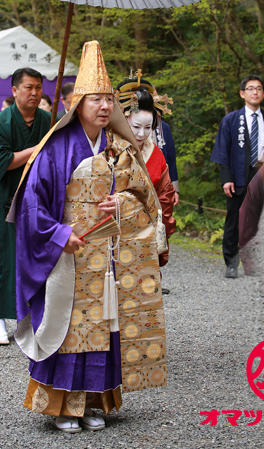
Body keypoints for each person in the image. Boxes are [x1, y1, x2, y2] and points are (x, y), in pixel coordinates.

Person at [9, 41, 164, 431]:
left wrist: (122, 204)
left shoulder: (119, 148)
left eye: (108, 99)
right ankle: (62, 406)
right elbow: (32, 205)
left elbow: (145, 196)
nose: (104, 106)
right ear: (77, 103)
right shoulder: (54, 148)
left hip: (107, 255)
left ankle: (95, 402)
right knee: (69, 328)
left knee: (105, 325)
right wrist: (60, 234)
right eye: (95, 99)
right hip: (67, 257)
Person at [210, 76, 264, 278]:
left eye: (259, 89)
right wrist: (226, 178)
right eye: (250, 89)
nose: (255, 92)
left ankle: (253, 263)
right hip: (238, 175)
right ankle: (231, 263)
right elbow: (223, 151)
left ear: (263, 93)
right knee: (234, 220)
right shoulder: (231, 120)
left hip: (262, 174)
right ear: (242, 93)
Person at [1, 68, 50, 346]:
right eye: (29, 87)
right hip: (5, 197)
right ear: (15, 90)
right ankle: (0, 319)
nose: (34, 93)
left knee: (36, 257)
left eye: (38, 88)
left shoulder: (49, 120)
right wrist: (38, 148)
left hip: (40, 200)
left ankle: (34, 320)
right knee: (5, 258)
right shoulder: (2, 122)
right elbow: (5, 160)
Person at [118, 78, 176, 274]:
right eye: (136, 127)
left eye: (147, 127)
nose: (142, 134)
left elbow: (165, 195)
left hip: (147, 233)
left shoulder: (156, 155)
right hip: (115, 231)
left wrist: (158, 222)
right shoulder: (110, 151)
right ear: (124, 120)